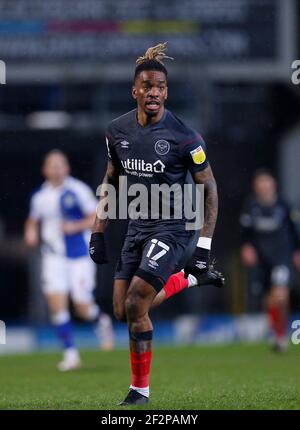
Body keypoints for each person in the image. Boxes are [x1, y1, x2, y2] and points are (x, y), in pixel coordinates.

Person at [89, 43, 223, 405]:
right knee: (122, 310)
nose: (154, 92)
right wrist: (97, 230)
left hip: (175, 227)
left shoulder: (185, 137)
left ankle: (140, 391)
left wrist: (203, 245)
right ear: (135, 90)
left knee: (136, 302)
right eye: (147, 86)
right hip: (137, 226)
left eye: (161, 87)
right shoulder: (116, 131)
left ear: (167, 91)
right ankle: (191, 279)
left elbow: (209, 187)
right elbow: (111, 177)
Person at [24, 149, 114, 371]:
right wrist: (31, 232)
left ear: (67, 168)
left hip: (79, 256)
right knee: (57, 305)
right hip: (53, 257)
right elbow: (32, 220)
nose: (56, 169)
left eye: (60, 164)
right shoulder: (40, 197)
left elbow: (95, 216)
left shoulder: (78, 190)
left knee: (82, 306)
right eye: (52, 165)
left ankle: (100, 321)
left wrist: (74, 226)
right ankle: (71, 355)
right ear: (45, 170)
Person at [240, 168, 300, 352]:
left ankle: (281, 334)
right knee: (268, 299)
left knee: (280, 295)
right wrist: (247, 247)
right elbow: (245, 233)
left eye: (267, 183)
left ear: (273, 184)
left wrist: (297, 251)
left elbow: (294, 230)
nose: (264, 187)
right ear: (255, 187)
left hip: (281, 257)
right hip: (261, 259)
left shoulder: (284, 205)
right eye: (260, 184)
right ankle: (278, 334)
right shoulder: (251, 206)